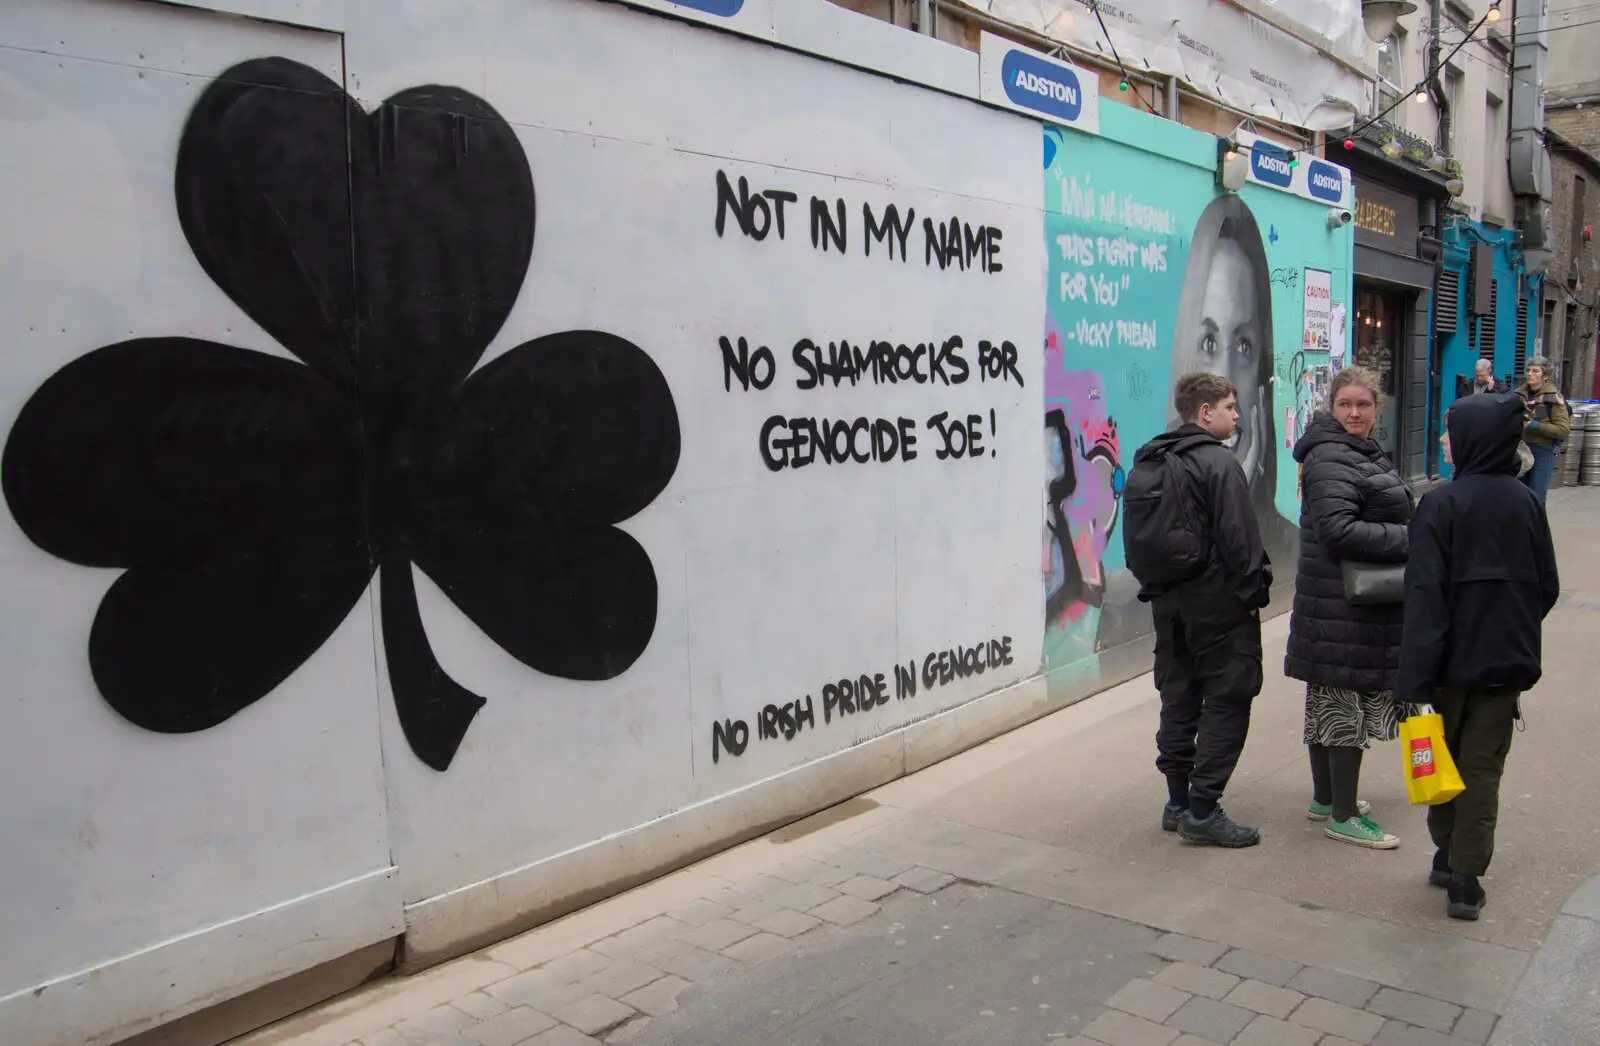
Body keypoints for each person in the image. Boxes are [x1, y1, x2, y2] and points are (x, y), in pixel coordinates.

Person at [1400, 393, 1560, 919]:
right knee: (1482, 769)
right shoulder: (1528, 504)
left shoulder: (1440, 504)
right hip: (1503, 664)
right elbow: (1548, 587)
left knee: (1438, 761)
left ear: (1471, 438)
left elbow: (1423, 596)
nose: (1445, 441)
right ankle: (1466, 881)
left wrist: (1414, 680)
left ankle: (1447, 854)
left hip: (1443, 667)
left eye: (1450, 432)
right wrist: (1510, 624)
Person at [1129, 372, 1272, 848]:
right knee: (1230, 697)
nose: (1236, 415)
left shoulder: (1152, 456)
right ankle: (1205, 809)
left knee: (1179, 694)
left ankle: (1176, 803)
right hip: (1217, 605)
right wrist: (1252, 594)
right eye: (1230, 407)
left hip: (1167, 603)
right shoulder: (1218, 462)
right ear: (1205, 412)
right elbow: (1241, 541)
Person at [1284, 367, 1412, 849]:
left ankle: (1325, 799)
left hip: (1341, 602)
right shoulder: (1331, 455)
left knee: (1329, 698)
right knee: (1343, 703)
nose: (1355, 412)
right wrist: (1412, 538)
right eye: (1346, 405)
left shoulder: (1354, 450)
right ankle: (1342, 814)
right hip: (1343, 604)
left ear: (1377, 409)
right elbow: (1339, 531)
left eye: (1364, 405)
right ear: (1331, 408)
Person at [1165, 195, 1299, 575]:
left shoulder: (1295, 548)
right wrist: (1229, 490)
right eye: (1208, 343)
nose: (1222, 377)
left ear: (1261, 373)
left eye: (1243, 345)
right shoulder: (1155, 481)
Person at [1516, 356, 1570, 503]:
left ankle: (1536, 526)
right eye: (1528, 370)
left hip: (1542, 451)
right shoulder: (1518, 396)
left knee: (1536, 497)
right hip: (1519, 451)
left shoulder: (1553, 398)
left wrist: (1536, 425)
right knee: (1518, 497)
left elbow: (1563, 428)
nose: (1529, 374)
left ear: (1545, 376)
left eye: (1535, 371)